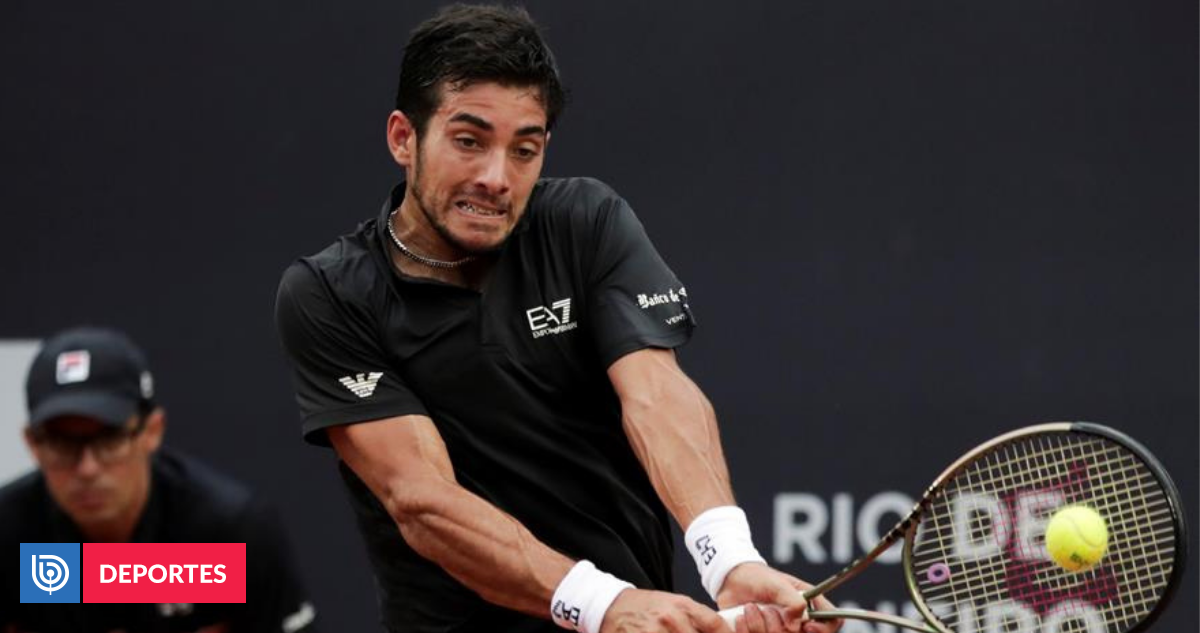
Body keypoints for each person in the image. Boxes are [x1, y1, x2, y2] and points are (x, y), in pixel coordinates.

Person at [274, 5, 841, 633]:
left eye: (524, 149)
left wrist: (728, 558)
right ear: (404, 138)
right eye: (469, 141)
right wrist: (603, 605)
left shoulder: (585, 222)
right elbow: (423, 501)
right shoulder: (330, 294)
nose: (496, 177)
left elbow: (657, 396)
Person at [0, 327, 319, 633]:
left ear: (152, 431)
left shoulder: (227, 534)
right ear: (32, 444)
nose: (87, 468)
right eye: (61, 444)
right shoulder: (9, 540)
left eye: (110, 440)